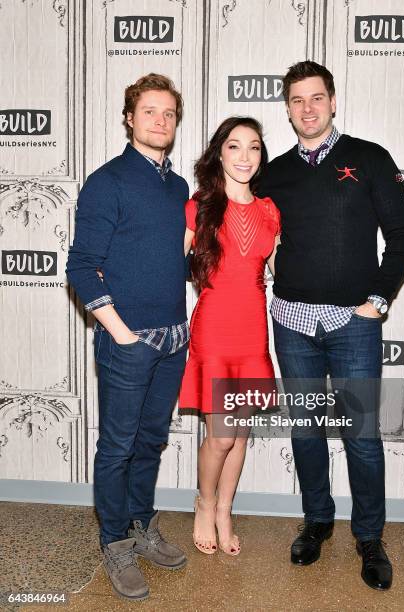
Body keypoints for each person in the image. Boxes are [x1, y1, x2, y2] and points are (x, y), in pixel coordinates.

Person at [258, 60, 404, 590]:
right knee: (306, 429)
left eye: (316, 98)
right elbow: (247, 225)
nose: (308, 108)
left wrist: (378, 299)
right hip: (292, 322)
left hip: (354, 323)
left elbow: (401, 234)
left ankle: (369, 537)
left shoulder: (369, 158)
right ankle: (317, 520)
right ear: (287, 108)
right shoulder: (274, 171)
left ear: (331, 101)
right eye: (297, 100)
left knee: (361, 436)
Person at [66, 74, 189, 601]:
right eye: (150, 112)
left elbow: (170, 258)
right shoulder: (107, 181)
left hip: (175, 341)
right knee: (117, 447)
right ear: (129, 118)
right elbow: (82, 266)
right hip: (128, 342)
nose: (160, 122)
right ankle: (114, 542)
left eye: (169, 114)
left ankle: (141, 526)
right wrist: (121, 334)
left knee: (150, 441)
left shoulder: (177, 186)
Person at [179, 117, 280, 556]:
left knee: (239, 435)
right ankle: (204, 504)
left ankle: (225, 510)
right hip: (215, 330)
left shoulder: (271, 211)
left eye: (253, 148)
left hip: (252, 330)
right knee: (221, 435)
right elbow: (167, 267)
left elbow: (283, 273)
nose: (244, 157)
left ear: (261, 157)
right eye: (234, 147)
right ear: (219, 153)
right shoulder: (198, 206)